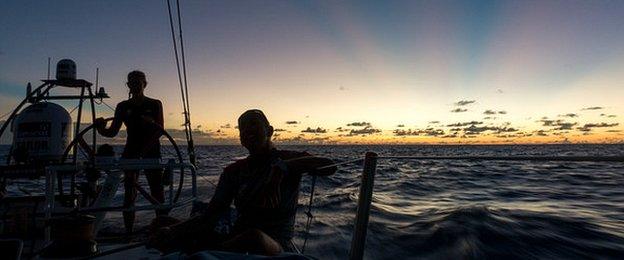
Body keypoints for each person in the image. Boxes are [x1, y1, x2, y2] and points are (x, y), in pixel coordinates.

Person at [148, 109, 337, 255]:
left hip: (274, 242)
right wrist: (172, 230)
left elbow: (330, 166)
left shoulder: (291, 159)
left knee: (253, 238)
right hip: (233, 235)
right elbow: (212, 214)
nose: (247, 131)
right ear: (240, 139)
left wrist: (281, 168)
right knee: (161, 222)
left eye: (253, 124)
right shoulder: (233, 171)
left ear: (270, 131)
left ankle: (204, 250)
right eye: (242, 128)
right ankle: (205, 248)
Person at [95, 70, 166, 234]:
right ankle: (128, 234)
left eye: (138, 82)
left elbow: (159, 130)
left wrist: (144, 151)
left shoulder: (155, 104)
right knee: (129, 192)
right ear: (128, 85)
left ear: (144, 84)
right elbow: (112, 132)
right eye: (131, 83)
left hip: (151, 151)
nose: (134, 85)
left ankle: (162, 230)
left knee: (157, 190)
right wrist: (100, 128)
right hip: (130, 151)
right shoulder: (122, 106)